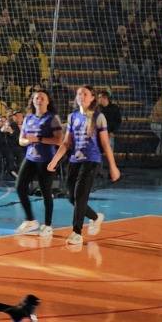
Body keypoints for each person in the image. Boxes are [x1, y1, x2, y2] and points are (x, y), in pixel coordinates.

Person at [48, 85, 120, 246]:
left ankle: (77, 232)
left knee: (80, 196)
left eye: (85, 94)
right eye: (79, 93)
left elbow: (105, 143)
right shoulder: (73, 117)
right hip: (75, 160)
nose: (81, 96)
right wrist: (54, 160)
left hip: (91, 161)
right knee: (71, 197)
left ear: (92, 97)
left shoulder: (98, 117)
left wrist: (113, 166)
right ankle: (95, 217)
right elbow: (66, 143)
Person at [15, 88, 63, 236]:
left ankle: (47, 225)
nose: (39, 100)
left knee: (45, 192)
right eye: (37, 98)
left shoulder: (52, 118)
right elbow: (21, 140)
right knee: (20, 187)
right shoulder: (28, 118)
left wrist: (39, 139)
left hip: (47, 159)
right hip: (30, 157)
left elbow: (59, 140)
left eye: (42, 98)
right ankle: (30, 220)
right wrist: (27, 141)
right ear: (33, 101)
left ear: (48, 101)